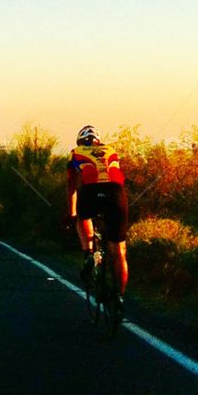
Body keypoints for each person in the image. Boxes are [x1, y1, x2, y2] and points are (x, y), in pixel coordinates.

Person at [67, 125, 129, 317]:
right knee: (119, 252)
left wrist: (71, 214)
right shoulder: (111, 150)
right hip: (116, 194)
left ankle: (89, 254)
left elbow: (71, 188)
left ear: (80, 141)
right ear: (98, 140)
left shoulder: (75, 153)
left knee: (82, 217)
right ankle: (119, 297)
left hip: (91, 193)